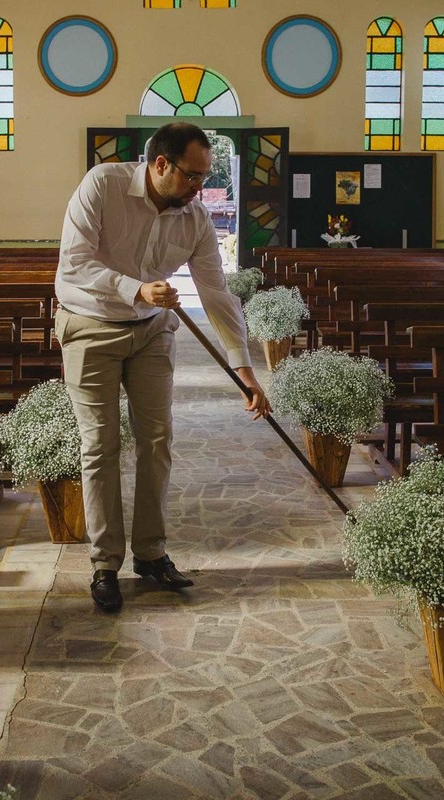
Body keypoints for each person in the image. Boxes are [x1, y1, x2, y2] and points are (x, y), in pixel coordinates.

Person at [54, 122, 271, 613]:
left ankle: (150, 553)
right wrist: (136, 287)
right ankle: (104, 563)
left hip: (151, 331)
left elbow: (216, 293)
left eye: (205, 179)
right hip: (90, 326)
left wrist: (245, 370)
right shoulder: (102, 185)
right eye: (193, 177)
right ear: (160, 164)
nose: (201, 189)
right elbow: (74, 263)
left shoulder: (194, 219)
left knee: (157, 439)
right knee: (101, 443)